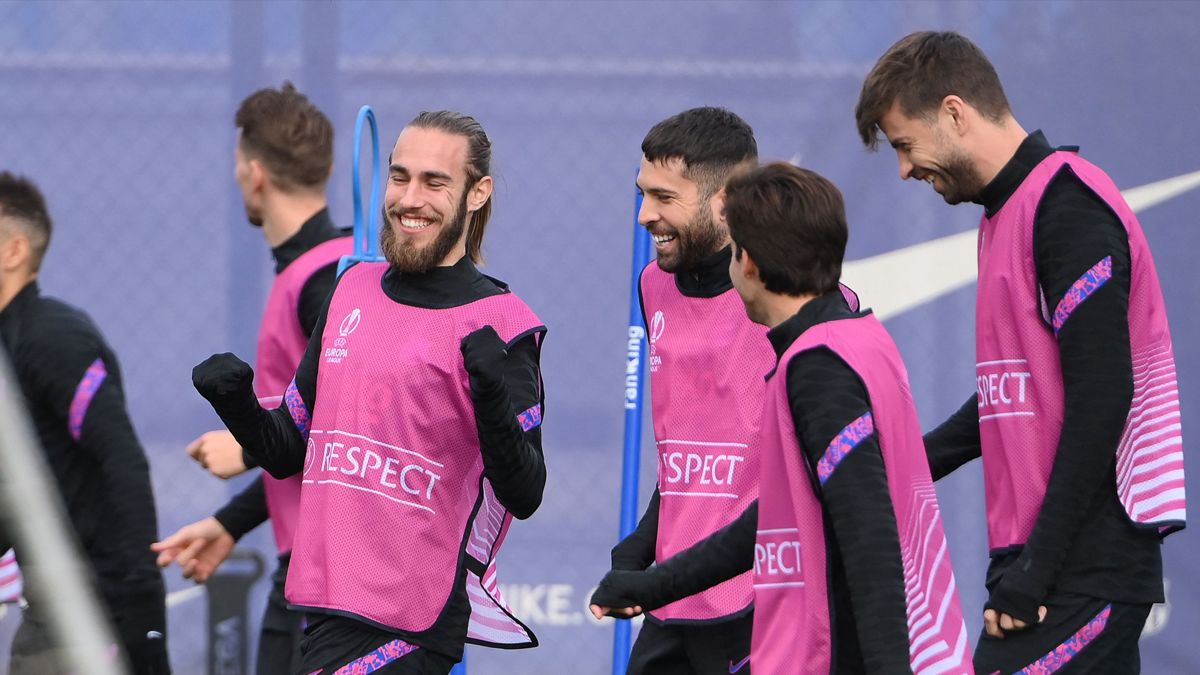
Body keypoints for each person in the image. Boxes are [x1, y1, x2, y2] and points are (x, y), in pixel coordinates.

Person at [854, 30, 1186, 673]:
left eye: (903, 145)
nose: (903, 169)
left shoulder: (1066, 204)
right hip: (1049, 562)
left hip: (1081, 565)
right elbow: (1017, 395)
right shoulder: (1004, 213)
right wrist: (901, 466)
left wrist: (1038, 567)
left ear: (954, 112)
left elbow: (1103, 393)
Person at [190, 110, 547, 674]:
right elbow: (287, 449)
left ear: (477, 194)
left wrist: (491, 397)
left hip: (410, 618)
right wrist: (235, 402)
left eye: (435, 182)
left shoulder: (501, 323)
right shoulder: (351, 288)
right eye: (400, 177)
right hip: (324, 601)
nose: (410, 198)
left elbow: (525, 490)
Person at [591, 162, 972, 674]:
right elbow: (778, 515)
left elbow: (868, 536)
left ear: (746, 262)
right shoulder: (859, 337)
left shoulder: (818, 366)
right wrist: (655, 583)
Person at [151, 81, 351, 674]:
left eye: (238, 163)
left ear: (254, 173)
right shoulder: (317, 269)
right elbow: (301, 439)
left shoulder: (326, 281)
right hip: (311, 570)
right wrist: (230, 523)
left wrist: (244, 443)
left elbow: (355, 424)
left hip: (330, 582)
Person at [596, 107, 768, 674]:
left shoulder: (794, 298)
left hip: (761, 602)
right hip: (671, 601)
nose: (645, 215)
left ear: (725, 200)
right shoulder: (652, 285)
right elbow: (688, 453)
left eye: (664, 197)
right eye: (642, 194)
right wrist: (643, 543)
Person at [0, 172, 170, 674]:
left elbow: (121, 458)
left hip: (99, 613)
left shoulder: (52, 336)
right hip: (46, 610)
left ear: (13, 251)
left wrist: (139, 603)